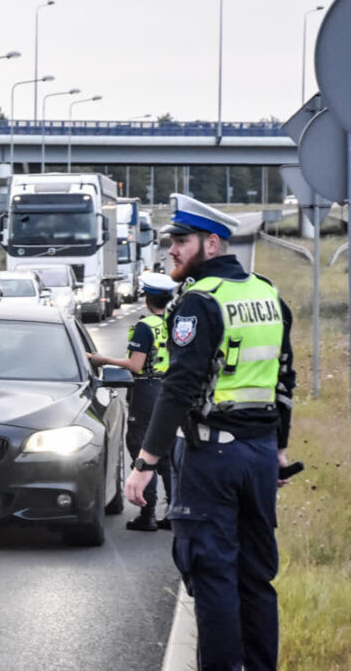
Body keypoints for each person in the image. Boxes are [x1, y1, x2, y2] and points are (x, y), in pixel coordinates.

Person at [124, 194, 295, 670]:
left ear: (212, 243)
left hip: (212, 459)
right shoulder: (267, 294)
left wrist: (145, 464)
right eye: (172, 241)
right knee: (256, 576)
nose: (172, 251)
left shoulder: (200, 303)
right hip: (259, 456)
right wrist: (278, 451)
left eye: (181, 241)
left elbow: (178, 389)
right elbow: (283, 381)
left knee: (213, 573)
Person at [88, 271, 177, 532]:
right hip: (170, 390)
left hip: (147, 390)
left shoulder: (145, 326)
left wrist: (102, 359)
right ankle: (172, 511)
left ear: (147, 297)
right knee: (167, 451)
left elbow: (136, 366)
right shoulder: (174, 323)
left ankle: (147, 514)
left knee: (143, 447)